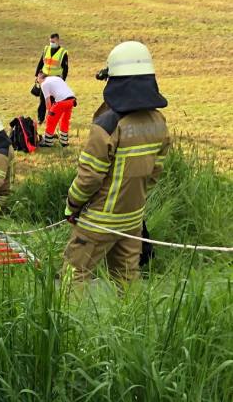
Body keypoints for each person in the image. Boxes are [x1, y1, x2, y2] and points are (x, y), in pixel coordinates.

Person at [63, 41, 170, 286]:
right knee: (127, 278)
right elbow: (154, 173)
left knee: (74, 274)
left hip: (98, 221)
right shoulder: (159, 122)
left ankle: (66, 324)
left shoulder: (108, 125)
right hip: (133, 220)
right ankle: (131, 324)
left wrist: (72, 205)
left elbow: (89, 178)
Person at [34, 33, 69, 126]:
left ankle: (52, 118)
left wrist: (62, 81)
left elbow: (65, 68)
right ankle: (40, 119)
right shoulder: (46, 49)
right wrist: (37, 75)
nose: (51, 43)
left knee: (53, 101)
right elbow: (41, 62)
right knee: (42, 99)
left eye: (53, 42)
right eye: (50, 41)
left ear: (58, 41)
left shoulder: (63, 53)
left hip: (55, 80)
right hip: (45, 78)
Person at [37, 71, 77, 147]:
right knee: (64, 120)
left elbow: (48, 101)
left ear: (40, 77)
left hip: (61, 101)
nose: (37, 81)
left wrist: (49, 113)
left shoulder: (44, 84)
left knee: (51, 120)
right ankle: (64, 141)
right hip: (72, 99)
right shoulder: (56, 78)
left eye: (37, 79)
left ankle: (48, 142)